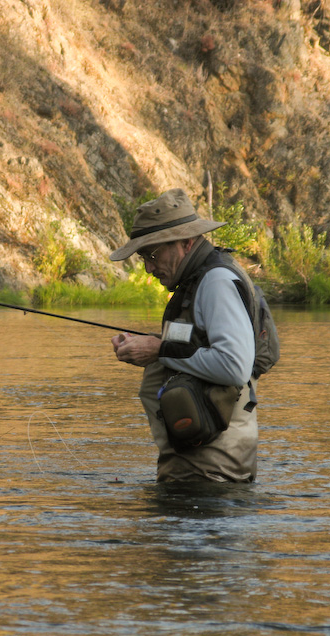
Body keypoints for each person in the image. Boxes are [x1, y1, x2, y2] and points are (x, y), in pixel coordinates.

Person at [109, 188, 258, 483]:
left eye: (153, 254)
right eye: (143, 257)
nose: (149, 268)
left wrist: (159, 350)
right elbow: (199, 344)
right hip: (198, 462)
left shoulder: (215, 281)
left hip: (212, 469)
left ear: (186, 243)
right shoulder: (197, 279)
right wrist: (149, 344)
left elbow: (234, 365)